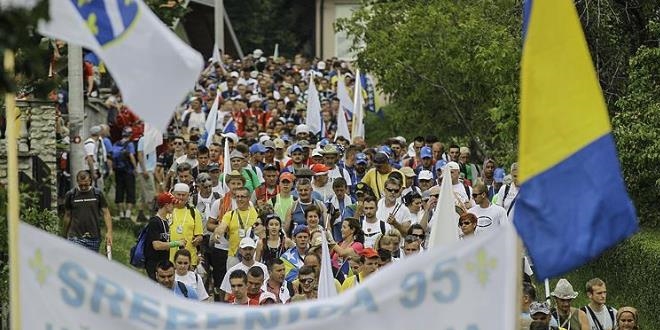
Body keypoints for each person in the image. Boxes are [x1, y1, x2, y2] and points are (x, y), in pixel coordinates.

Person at [63, 170, 113, 253]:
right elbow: (67, 215)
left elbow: (106, 213)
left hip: (94, 237)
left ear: (90, 181)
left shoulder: (97, 194)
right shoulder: (71, 195)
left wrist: (109, 232)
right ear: (77, 181)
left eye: (85, 185)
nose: (83, 187)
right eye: (81, 185)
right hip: (75, 237)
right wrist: (64, 234)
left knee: (90, 264)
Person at [212, 186, 259, 269]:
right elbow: (221, 227)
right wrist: (217, 234)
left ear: (248, 198)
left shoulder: (256, 213)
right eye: (237, 197)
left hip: (252, 255)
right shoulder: (230, 214)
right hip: (234, 255)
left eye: (242, 197)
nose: (239, 199)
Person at [144, 192, 182, 280]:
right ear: (167, 205)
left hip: (163, 262)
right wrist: (176, 243)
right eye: (173, 203)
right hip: (154, 264)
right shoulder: (154, 222)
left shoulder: (165, 221)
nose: (174, 206)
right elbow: (156, 245)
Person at [169, 183, 204, 267]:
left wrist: (197, 240)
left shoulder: (194, 212)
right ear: (173, 195)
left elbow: (200, 235)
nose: (181, 197)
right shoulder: (168, 210)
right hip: (170, 257)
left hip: (189, 259)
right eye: (178, 194)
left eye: (184, 195)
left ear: (188, 196)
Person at [112, 126, 138, 221]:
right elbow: (131, 156)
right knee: (130, 192)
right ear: (130, 135)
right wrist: (135, 168)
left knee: (119, 191)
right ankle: (128, 215)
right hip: (128, 171)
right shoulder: (129, 144)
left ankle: (121, 214)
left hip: (118, 171)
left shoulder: (116, 144)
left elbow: (112, 156)